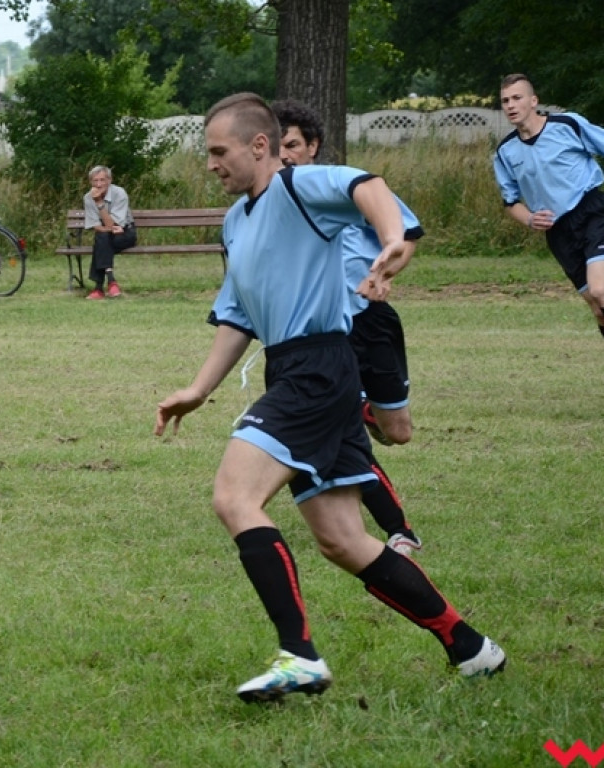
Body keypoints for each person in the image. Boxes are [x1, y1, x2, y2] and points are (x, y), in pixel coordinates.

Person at [154, 92, 505, 703]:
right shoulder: (236, 221)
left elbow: (367, 185)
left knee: (235, 498)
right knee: (343, 539)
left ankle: (300, 656)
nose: (210, 164)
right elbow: (238, 316)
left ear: (258, 146)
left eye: (218, 151)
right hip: (297, 370)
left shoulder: (298, 187)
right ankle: (470, 646)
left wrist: (391, 238)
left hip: (316, 370)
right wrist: (199, 389)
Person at [271, 98, 422, 557]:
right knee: (339, 426)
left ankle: (369, 412)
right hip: (320, 338)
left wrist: (384, 271)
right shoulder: (270, 204)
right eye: (277, 147)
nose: (285, 156)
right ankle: (399, 531)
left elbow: (407, 236)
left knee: (398, 431)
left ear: (313, 146)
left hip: (369, 320)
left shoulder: (342, 186)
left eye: (292, 145)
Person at [493, 73, 604, 337]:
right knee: (596, 306)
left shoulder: (567, 125)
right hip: (558, 232)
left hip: (592, 213)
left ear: (533, 101)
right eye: (505, 100)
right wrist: (530, 219)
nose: (511, 105)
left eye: (517, 98)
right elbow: (510, 202)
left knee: (600, 289)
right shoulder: (505, 151)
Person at [82, 165, 136, 299]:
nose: (99, 184)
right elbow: (97, 226)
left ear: (109, 180)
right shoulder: (88, 197)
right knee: (103, 237)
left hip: (125, 232)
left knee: (101, 242)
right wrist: (108, 229)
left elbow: (114, 224)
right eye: (95, 180)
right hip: (107, 232)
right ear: (90, 182)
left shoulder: (119, 193)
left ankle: (98, 288)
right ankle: (111, 282)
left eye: (102, 180)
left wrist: (99, 202)